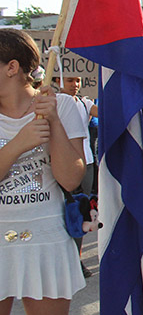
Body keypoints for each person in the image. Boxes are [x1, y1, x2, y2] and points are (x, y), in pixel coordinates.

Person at [0, 29, 87, 315]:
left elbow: (71, 178)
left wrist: (53, 120)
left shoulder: (61, 104)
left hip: (46, 240)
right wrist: (18, 144)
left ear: (12, 67)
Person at [54, 75, 98, 277]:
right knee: (59, 215)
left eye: (78, 80)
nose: (75, 84)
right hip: (61, 166)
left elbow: (105, 113)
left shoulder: (83, 102)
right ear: (59, 80)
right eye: (70, 80)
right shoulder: (52, 102)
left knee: (80, 212)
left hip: (86, 164)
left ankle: (76, 259)